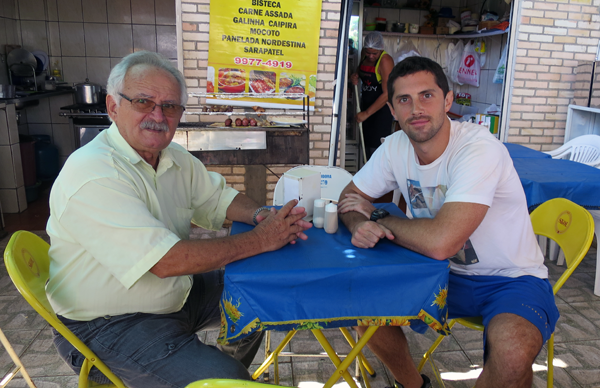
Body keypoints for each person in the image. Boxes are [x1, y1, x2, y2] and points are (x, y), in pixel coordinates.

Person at [46, 51, 312, 388]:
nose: (158, 116)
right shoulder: (94, 173)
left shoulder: (171, 157)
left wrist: (260, 215)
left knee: (262, 290)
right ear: (113, 107)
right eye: (144, 102)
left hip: (174, 295)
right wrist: (261, 239)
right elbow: (166, 260)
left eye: (170, 106)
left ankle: (203, 368)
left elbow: (219, 198)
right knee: (227, 381)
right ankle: (212, 375)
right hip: (106, 324)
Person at [338, 56, 559, 388]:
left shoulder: (478, 148)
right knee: (363, 305)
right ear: (393, 111)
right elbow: (349, 197)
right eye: (404, 99)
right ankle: (414, 386)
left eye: (427, 95)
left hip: (510, 279)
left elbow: (442, 242)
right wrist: (357, 223)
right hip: (433, 273)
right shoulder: (395, 147)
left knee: (512, 356)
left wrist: (379, 216)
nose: (416, 108)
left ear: (448, 101)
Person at [350, 31, 395, 159]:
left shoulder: (385, 61)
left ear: (381, 49)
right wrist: (355, 76)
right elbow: (360, 70)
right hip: (366, 106)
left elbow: (387, 94)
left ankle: (379, 177)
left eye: (374, 53)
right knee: (366, 144)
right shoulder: (365, 55)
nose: (370, 56)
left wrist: (366, 114)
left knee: (377, 148)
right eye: (368, 52)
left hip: (381, 111)